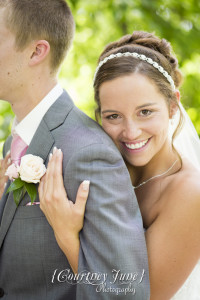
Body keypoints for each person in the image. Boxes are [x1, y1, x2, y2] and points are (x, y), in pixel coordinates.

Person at [0, 2, 149, 300]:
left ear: (36, 52)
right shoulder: (13, 142)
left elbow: (124, 292)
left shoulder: (89, 152)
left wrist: (68, 237)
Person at [39, 31, 200, 300]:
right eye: (114, 116)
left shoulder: (190, 194)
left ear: (173, 106)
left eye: (145, 112)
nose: (131, 132)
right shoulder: (101, 169)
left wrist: (67, 236)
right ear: (98, 116)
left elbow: (134, 296)